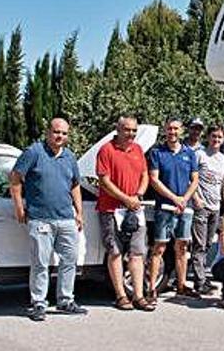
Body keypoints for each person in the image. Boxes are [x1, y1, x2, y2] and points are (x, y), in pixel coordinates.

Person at [10, 118, 88, 321]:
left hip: (66, 219)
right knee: (40, 263)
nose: (60, 136)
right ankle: (38, 303)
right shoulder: (34, 152)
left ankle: (65, 300)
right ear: (48, 132)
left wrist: (79, 212)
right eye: (56, 132)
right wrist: (19, 206)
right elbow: (15, 178)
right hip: (40, 219)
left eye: (64, 133)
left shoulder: (70, 157)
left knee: (70, 260)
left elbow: (75, 185)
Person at [96, 116, 155, 311]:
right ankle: (121, 296)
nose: (130, 134)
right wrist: (125, 198)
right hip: (112, 210)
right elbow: (104, 181)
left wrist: (137, 195)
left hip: (134, 208)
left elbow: (145, 175)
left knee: (138, 252)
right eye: (127, 130)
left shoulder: (138, 149)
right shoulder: (106, 150)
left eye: (133, 131)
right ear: (118, 129)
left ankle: (138, 296)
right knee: (115, 252)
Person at [148, 117, 200, 301]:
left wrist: (184, 199)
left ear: (182, 131)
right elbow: (154, 179)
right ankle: (152, 289)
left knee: (182, 247)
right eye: (169, 129)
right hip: (165, 207)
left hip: (184, 208)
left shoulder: (189, 153)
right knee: (159, 248)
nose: (172, 132)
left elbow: (195, 179)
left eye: (176, 129)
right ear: (165, 130)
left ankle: (181, 285)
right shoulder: (157, 152)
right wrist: (175, 198)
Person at [191, 125, 224, 295]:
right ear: (208, 137)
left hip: (216, 207)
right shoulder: (199, 155)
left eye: (219, 138)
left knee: (208, 245)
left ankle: (201, 276)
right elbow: (190, 179)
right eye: (213, 136)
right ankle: (199, 283)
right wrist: (196, 199)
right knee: (199, 245)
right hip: (201, 207)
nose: (216, 140)